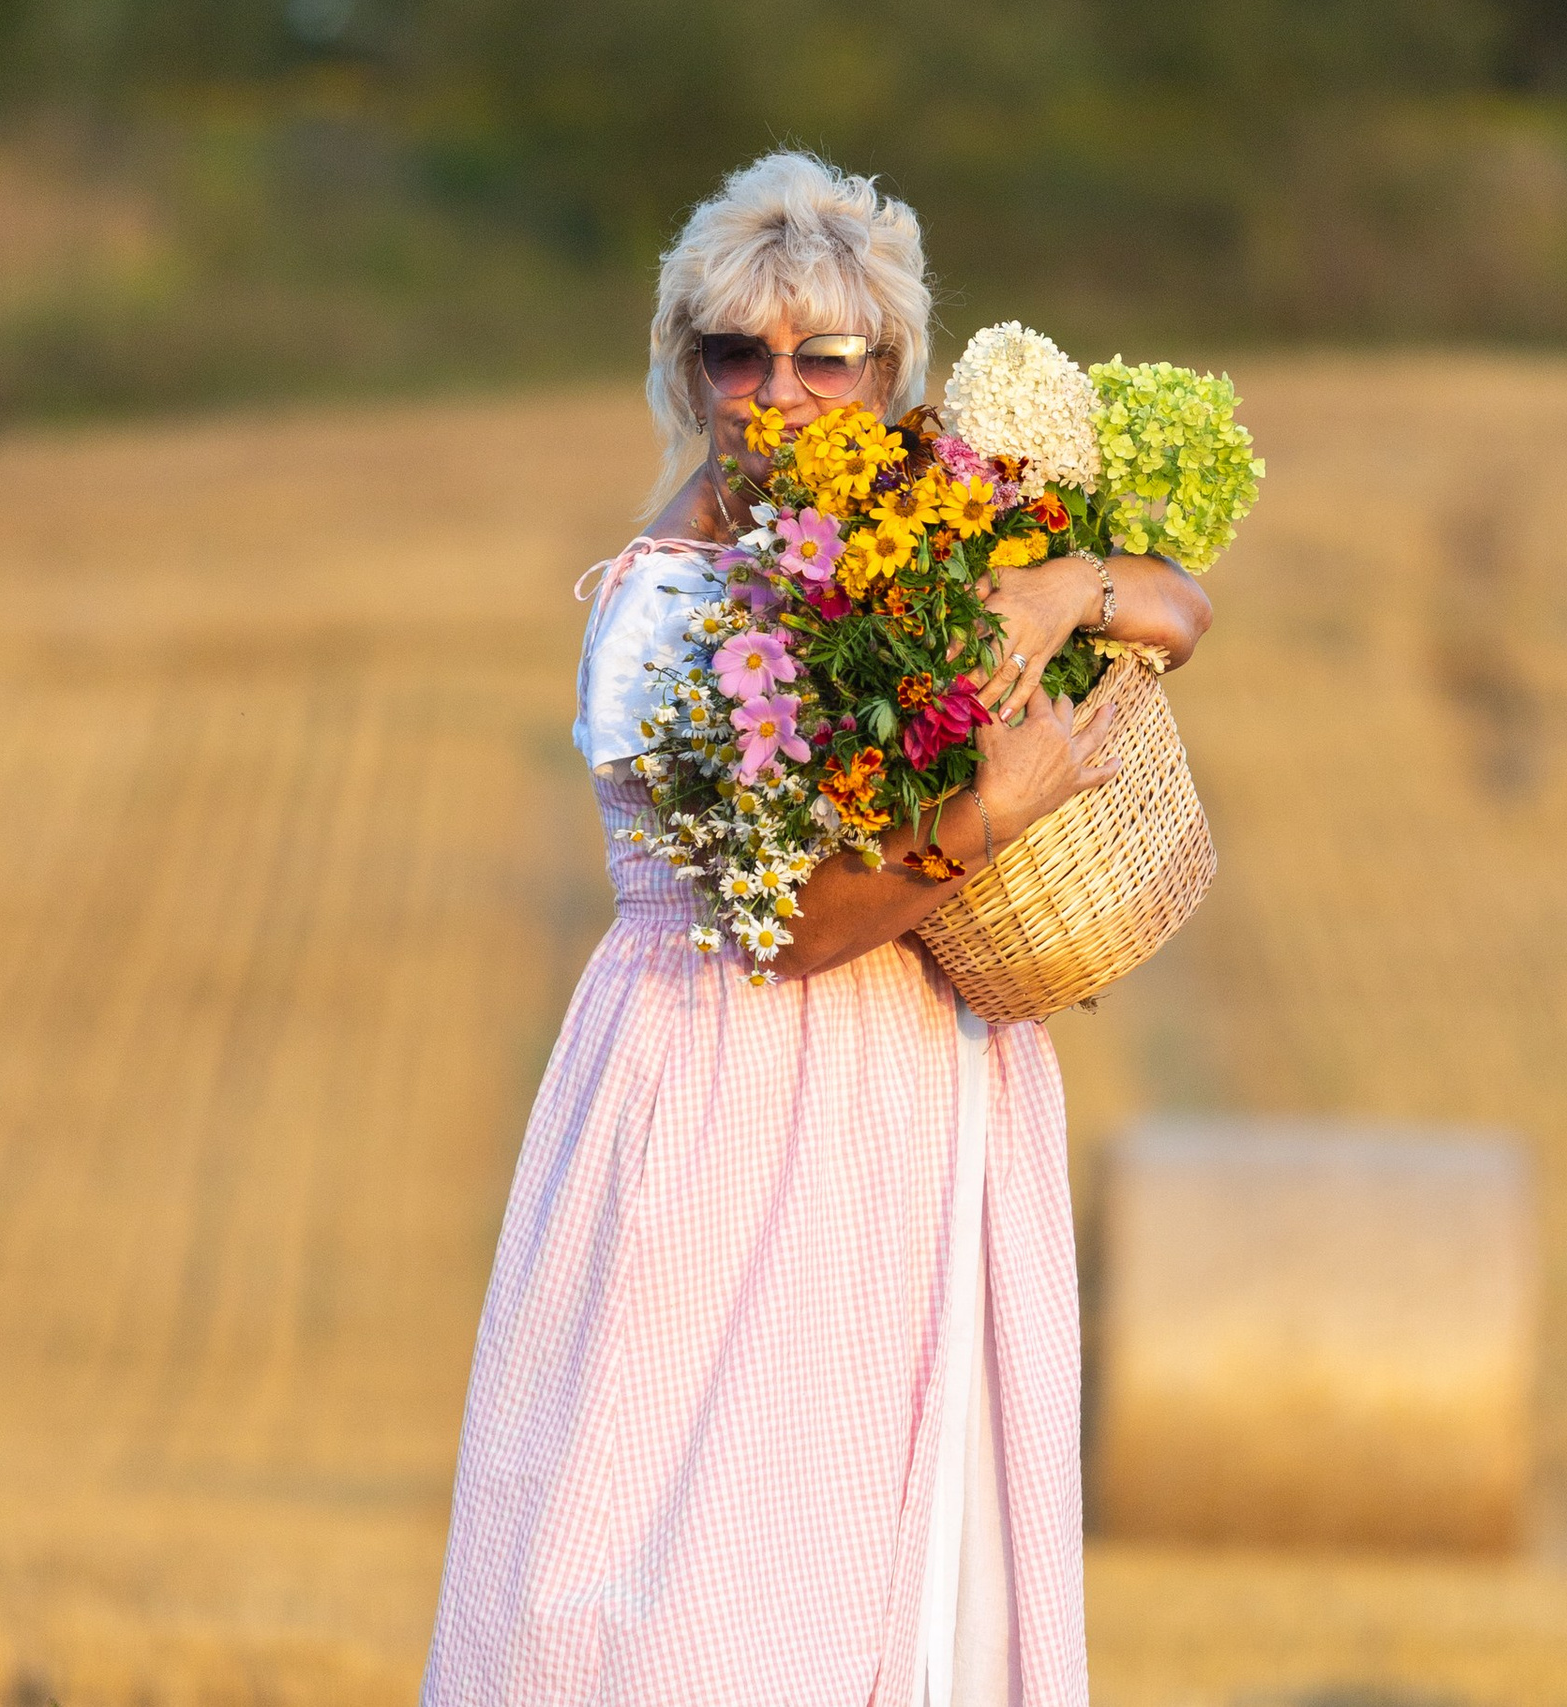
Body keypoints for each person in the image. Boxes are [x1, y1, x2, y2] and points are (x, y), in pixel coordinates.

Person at [422, 151, 1211, 1707]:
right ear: (686, 365)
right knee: (700, 1589)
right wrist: (998, 808)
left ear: (890, 371)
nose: (775, 390)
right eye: (735, 352)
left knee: (910, 1579)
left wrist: (1058, 590)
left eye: (823, 355)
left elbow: (1180, 609)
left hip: (921, 1085)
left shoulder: (921, 536)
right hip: (732, 1092)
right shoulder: (668, 615)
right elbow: (785, 938)